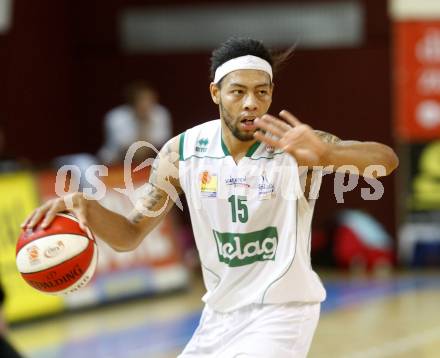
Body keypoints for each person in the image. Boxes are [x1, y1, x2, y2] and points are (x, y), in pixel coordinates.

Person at [23, 38, 399, 357]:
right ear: (216, 92)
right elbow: (129, 235)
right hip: (219, 316)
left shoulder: (296, 146)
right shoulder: (181, 152)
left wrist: (329, 156)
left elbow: (386, 160)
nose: (251, 102)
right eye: (238, 91)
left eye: (262, 91)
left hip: (282, 311)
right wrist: (86, 206)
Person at [98, 81, 172, 164]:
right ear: (132, 102)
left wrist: (145, 123)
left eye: (150, 99)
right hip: (115, 162)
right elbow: (133, 152)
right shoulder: (115, 118)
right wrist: (141, 122)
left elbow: (163, 144)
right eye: (142, 99)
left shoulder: (161, 114)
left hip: (149, 161)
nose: (146, 104)